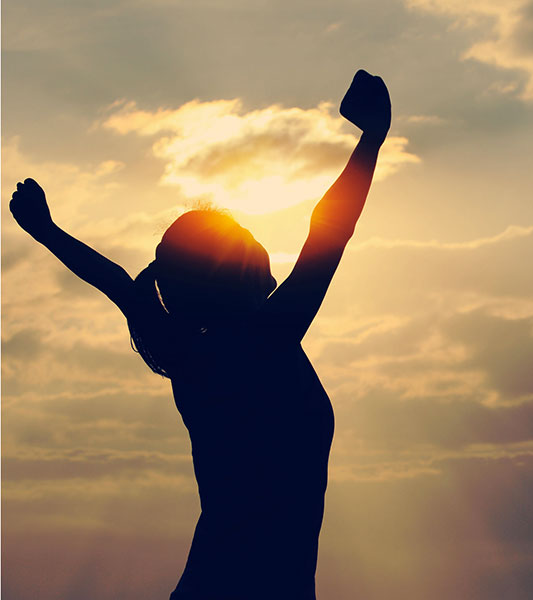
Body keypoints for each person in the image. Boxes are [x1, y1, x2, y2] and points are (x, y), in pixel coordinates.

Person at [9, 69, 391, 599]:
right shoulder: (268, 338)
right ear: (244, 268)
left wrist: (47, 231)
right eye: (248, 242)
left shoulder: (185, 352)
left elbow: (118, 283)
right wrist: (371, 139)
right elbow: (330, 229)